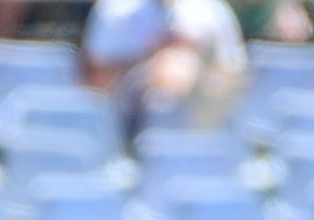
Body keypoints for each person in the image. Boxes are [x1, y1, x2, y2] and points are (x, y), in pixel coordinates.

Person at [83, 0, 248, 135]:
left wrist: (193, 59)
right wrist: (152, 57)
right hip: (127, 122)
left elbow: (233, 74)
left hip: (198, 118)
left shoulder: (211, 11)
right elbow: (95, 81)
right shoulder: (116, 9)